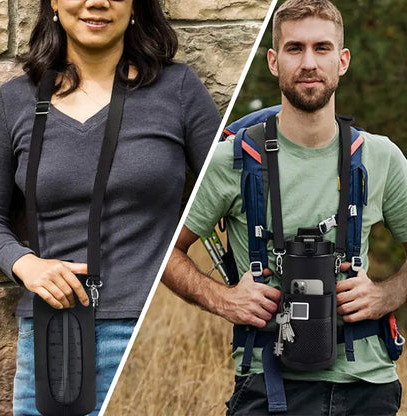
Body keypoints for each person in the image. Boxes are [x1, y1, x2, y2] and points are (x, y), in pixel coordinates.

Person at [162, 0, 407, 414]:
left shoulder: (380, 157)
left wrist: (386, 294)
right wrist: (224, 299)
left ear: (342, 60)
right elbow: (167, 251)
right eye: (295, 49)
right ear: (273, 61)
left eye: (322, 48)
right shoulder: (233, 160)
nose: (309, 62)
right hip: (269, 387)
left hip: (368, 386)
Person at [0, 0, 221, 414]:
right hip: (49, 341)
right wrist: (25, 264)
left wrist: (220, 293)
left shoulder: (178, 89)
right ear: (54, 3)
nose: (97, 2)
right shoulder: (15, 100)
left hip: (147, 340)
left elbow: (232, 193)